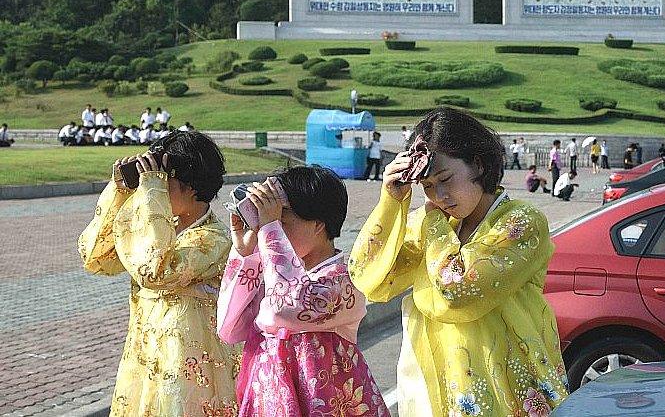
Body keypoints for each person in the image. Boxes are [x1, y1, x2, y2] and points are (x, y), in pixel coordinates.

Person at [349, 107, 568, 416]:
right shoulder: (441, 224)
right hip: (441, 387)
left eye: (446, 179)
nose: (439, 195)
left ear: (477, 164)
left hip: (509, 389)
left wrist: (434, 221)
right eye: (427, 186)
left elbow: (460, 291)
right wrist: (391, 201)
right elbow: (369, 276)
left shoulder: (521, 221)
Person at [78, 131, 238, 414]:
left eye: (163, 181)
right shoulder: (154, 230)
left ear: (190, 186)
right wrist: (119, 194)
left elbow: (155, 271)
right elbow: (96, 257)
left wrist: (152, 189)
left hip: (190, 370)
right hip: (146, 361)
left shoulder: (214, 238)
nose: (149, 191)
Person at [217, 167, 389, 416]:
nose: (271, 232)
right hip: (269, 399)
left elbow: (286, 307)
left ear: (318, 224)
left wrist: (270, 230)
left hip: (326, 402)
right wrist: (247, 254)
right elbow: (229, 329)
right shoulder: (274, 272)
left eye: (282, 222)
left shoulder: (345, 281)